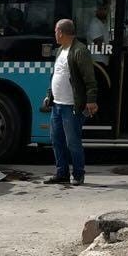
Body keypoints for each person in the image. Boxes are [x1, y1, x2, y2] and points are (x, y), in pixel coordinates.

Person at [43, 19, 98, 186]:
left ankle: (78, 174)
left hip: (71, 107)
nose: (54, 35)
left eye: (55, 32)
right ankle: (62, 173)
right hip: (57, 105)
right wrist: (49, 95)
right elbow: (56, 75)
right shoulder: (61, 50)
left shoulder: (80, 51)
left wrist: (91, 100)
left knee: (72, 142)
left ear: (61, 32)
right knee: (56, 139)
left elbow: (90, 79)